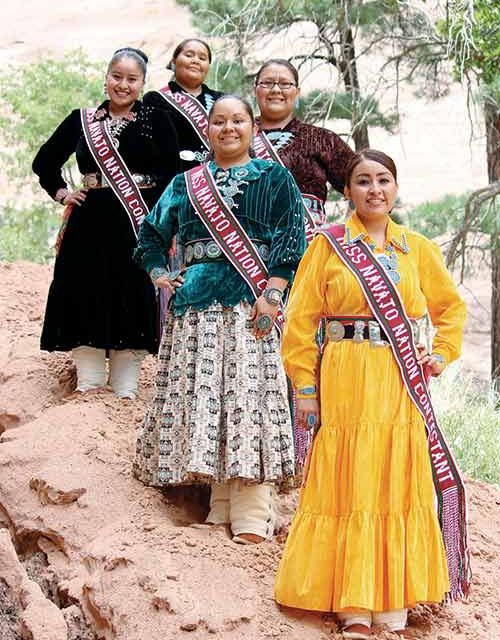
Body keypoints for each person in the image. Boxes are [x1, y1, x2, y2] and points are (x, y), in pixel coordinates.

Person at [274, 150, 469, 638]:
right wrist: (304, 386)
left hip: (400, 378)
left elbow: (450, 310)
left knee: (393, 477)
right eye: (363, 181)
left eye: (383, 180)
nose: (374, 189)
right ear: (348, 191)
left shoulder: (417, 249)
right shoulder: (329, 245)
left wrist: (441, 356)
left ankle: (391, 597)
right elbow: (299, 322)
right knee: (351, 477)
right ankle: (352, 601)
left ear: (396, 188)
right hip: (343, 376)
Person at [133, 95, 307, 544]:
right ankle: (220, 503)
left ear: (253, 128)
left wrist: (273, 293)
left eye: (238, 120)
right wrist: (160, 274)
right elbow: (150, 236)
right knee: (207, 398)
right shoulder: (186, 183)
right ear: (207, 129)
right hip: (195, 307)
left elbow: (291, 238)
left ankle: (253, 511)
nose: (229, 128)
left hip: (251, 302)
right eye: (219, 121)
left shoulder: (274, 177)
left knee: (249, 397)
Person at [33, 47, 180, 399]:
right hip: (89, 223)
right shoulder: (81, 120)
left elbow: (174, 174)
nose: (123, 84)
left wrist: (162, 222)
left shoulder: (157, 120)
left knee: (132, 290)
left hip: (138, 222)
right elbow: (44, 161)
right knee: (85, 291)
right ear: (106, 78)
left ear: (143, 83)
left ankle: (125, 390)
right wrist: (61, 192)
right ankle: (88, 384)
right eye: (117, 76)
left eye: (132, 79)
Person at [254, 58, 355, 227]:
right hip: (244, 246)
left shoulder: (322, 139)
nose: (276, 89)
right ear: (255, 88)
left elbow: (362, 186)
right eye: (267, 83)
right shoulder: (234, 135)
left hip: (306, 244)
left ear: (297, 91)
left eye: (285, 84)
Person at [143, 38, 222, 172]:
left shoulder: (222, 100)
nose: (195, 60)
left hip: (217, 177)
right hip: (176, 178)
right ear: (174, 61)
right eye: (189, 55)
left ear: (208, 66)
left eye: (202, 58)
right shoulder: (155, 99)